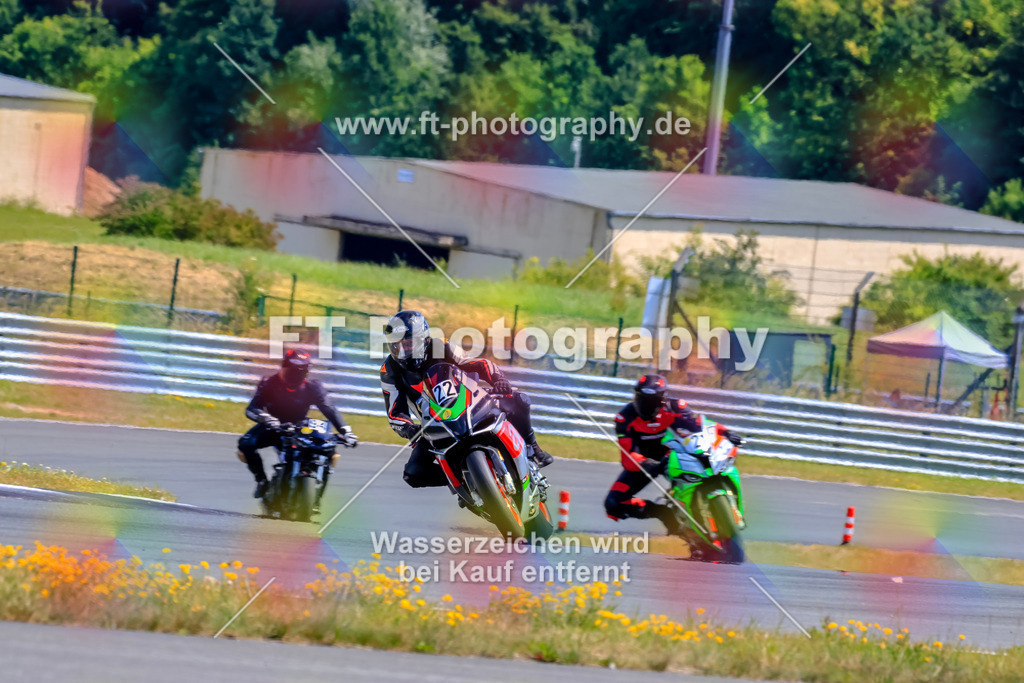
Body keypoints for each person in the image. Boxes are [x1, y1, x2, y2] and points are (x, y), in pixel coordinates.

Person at [379, 310, 553, 489]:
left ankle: (533, 449)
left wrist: (498, 379)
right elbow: (395, 412)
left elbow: (476, 363)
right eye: (396, 346)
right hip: (433, 423)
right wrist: (409, 429)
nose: (402, 351)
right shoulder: (389, 370)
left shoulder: (441, 346)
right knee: (413, 474)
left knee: (519, 400)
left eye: (407, 344)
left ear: (423, 338)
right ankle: (463, 481)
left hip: (469, 401)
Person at [604, 374, 742, 554]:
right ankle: (666, 515)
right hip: (644, 462)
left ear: (662, 400)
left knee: (695, 479)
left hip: (675, 455)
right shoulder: (624, 417)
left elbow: (701, 425)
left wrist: (725, 431)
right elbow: (627, 456)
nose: (646, 405)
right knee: (613, 504)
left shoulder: (677, 407)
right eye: (641, 399)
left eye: (652, 401)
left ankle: (711, 516)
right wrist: (648, 463)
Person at [238, 349, 356, 499]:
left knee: (329, 450)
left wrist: (346, 431)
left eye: (299, 372)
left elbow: (329, 409)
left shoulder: (313, 387)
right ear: (284, 367)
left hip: (299, 427)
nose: (295, 375)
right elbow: (252, 409)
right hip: (273, 426)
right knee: (246, 444)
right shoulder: (269, 383)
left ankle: (317, 489)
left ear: (306, 372)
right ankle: (261, 481)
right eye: (291, 370)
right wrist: (267, 419)